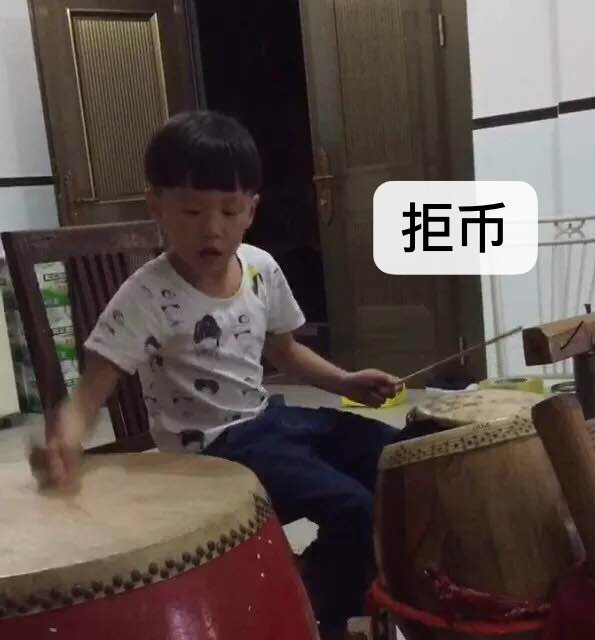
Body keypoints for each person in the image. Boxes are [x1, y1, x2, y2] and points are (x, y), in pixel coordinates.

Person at [35, 111, 400, 639]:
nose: (212, 228)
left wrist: (345, 383)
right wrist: (65, 441)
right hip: (211, 453)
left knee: (393, 457)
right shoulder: (145, 295)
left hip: (267, 422)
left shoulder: (260, 268)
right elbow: (92, 390)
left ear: (251, 210)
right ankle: (319, 610)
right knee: (353, 506)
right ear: (156, 206)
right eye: (191, 210)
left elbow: (285, 351)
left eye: (229, 210)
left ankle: (336, 578)